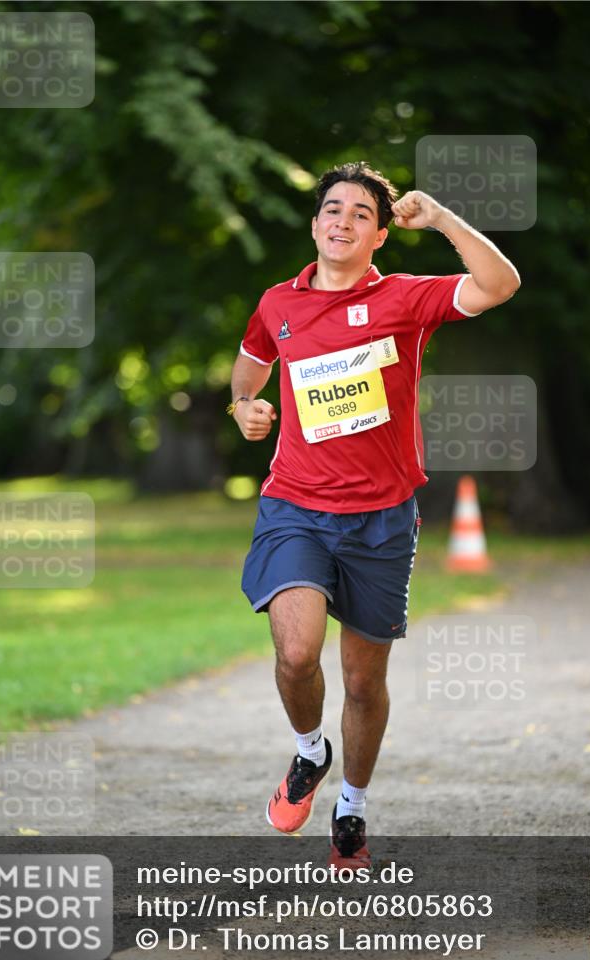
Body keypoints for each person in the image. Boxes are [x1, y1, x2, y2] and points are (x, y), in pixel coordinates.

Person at [228, 162, 520, 869]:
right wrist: (243, 406)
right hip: (296, 506)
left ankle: (351, 806)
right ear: (314, 224)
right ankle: (309, 753)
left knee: (363, 683)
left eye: (361, 214)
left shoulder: (403, 299)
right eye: (333, 209)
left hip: (381, 519)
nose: (343, 221)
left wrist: (442, 218)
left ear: (380, 235)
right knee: (297, 654)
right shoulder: (277, 303)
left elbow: (499, 284)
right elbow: (251, 363)